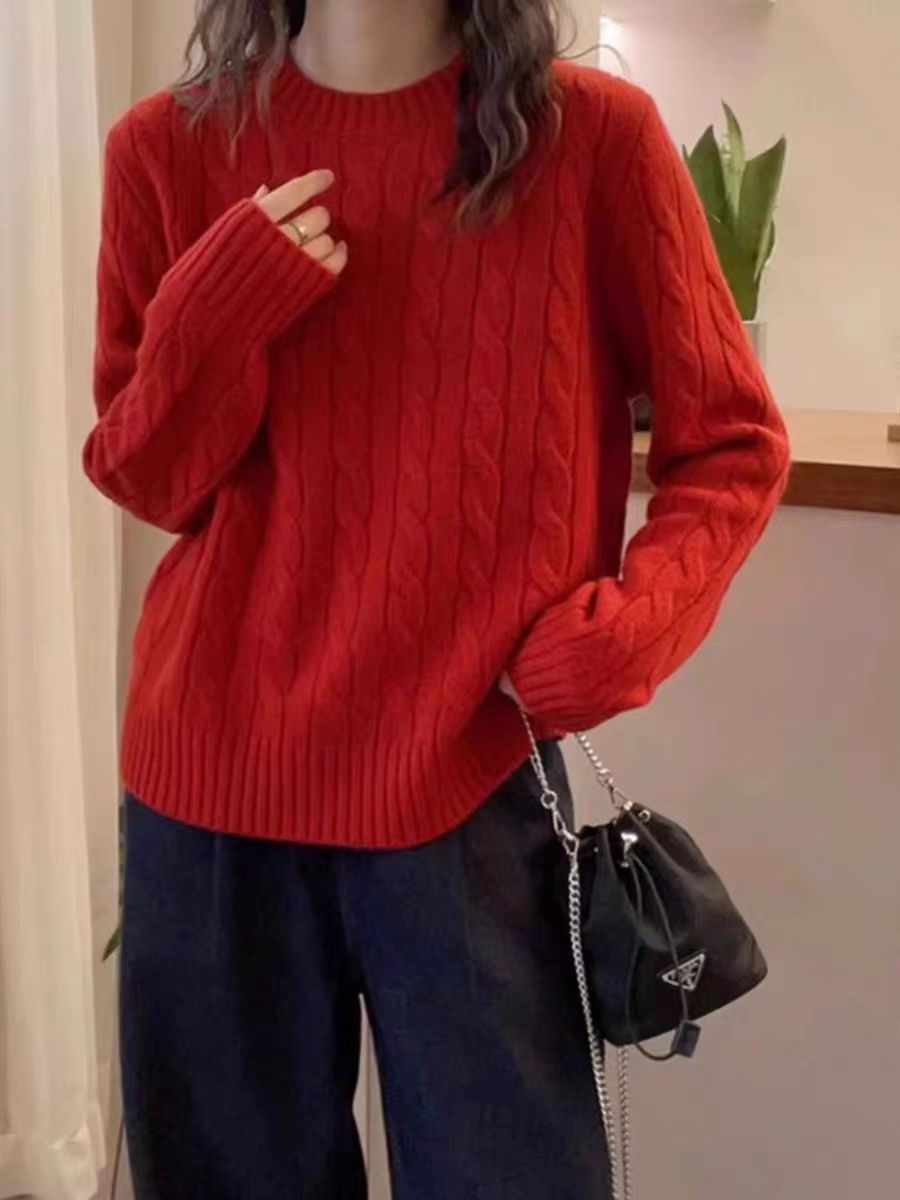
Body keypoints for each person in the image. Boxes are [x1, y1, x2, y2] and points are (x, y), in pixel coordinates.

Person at [83, 0, 790, 1195]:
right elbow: (149, 478)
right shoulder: (165, 146)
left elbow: (730, 442)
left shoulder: (595, 141)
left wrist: (623, 637)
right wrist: (219, 309)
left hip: (470, 776)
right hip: (213, 781)